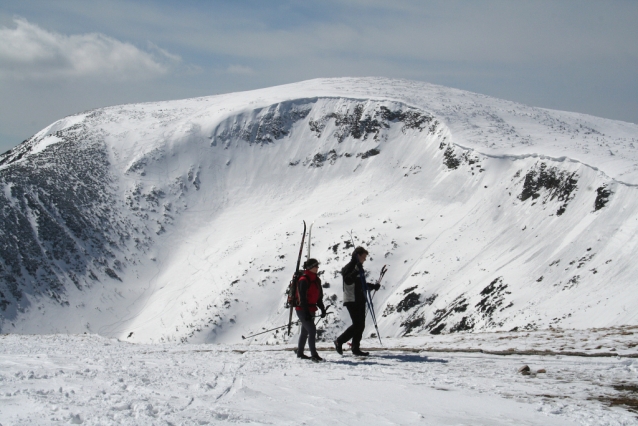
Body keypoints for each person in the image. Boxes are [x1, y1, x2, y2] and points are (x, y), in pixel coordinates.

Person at [333, 246, 380, 356]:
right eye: (363, 257)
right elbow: (348, 280)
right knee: (358, 324)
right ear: (358, 256)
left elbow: (361, 284)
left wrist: (373, 286)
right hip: (351, 299)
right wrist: (356, 270)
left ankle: (355, 348)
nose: (364, 259)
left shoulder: (359, 267)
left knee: (361, 324)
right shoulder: (349, 267)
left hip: (359, 298)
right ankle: (339, 341)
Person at [295, 258, 326, 362]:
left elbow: (318, 296)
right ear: (310, 267)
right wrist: (307, 313)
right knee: (312, 330)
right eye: (316, 266)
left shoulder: (316, 279)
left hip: (311, 308)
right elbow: (302, 298)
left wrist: (322, 308)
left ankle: (300, 353)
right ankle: (314, 354)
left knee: (305, 331)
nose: (317, 268)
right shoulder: (304, 280)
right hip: (303, 309)